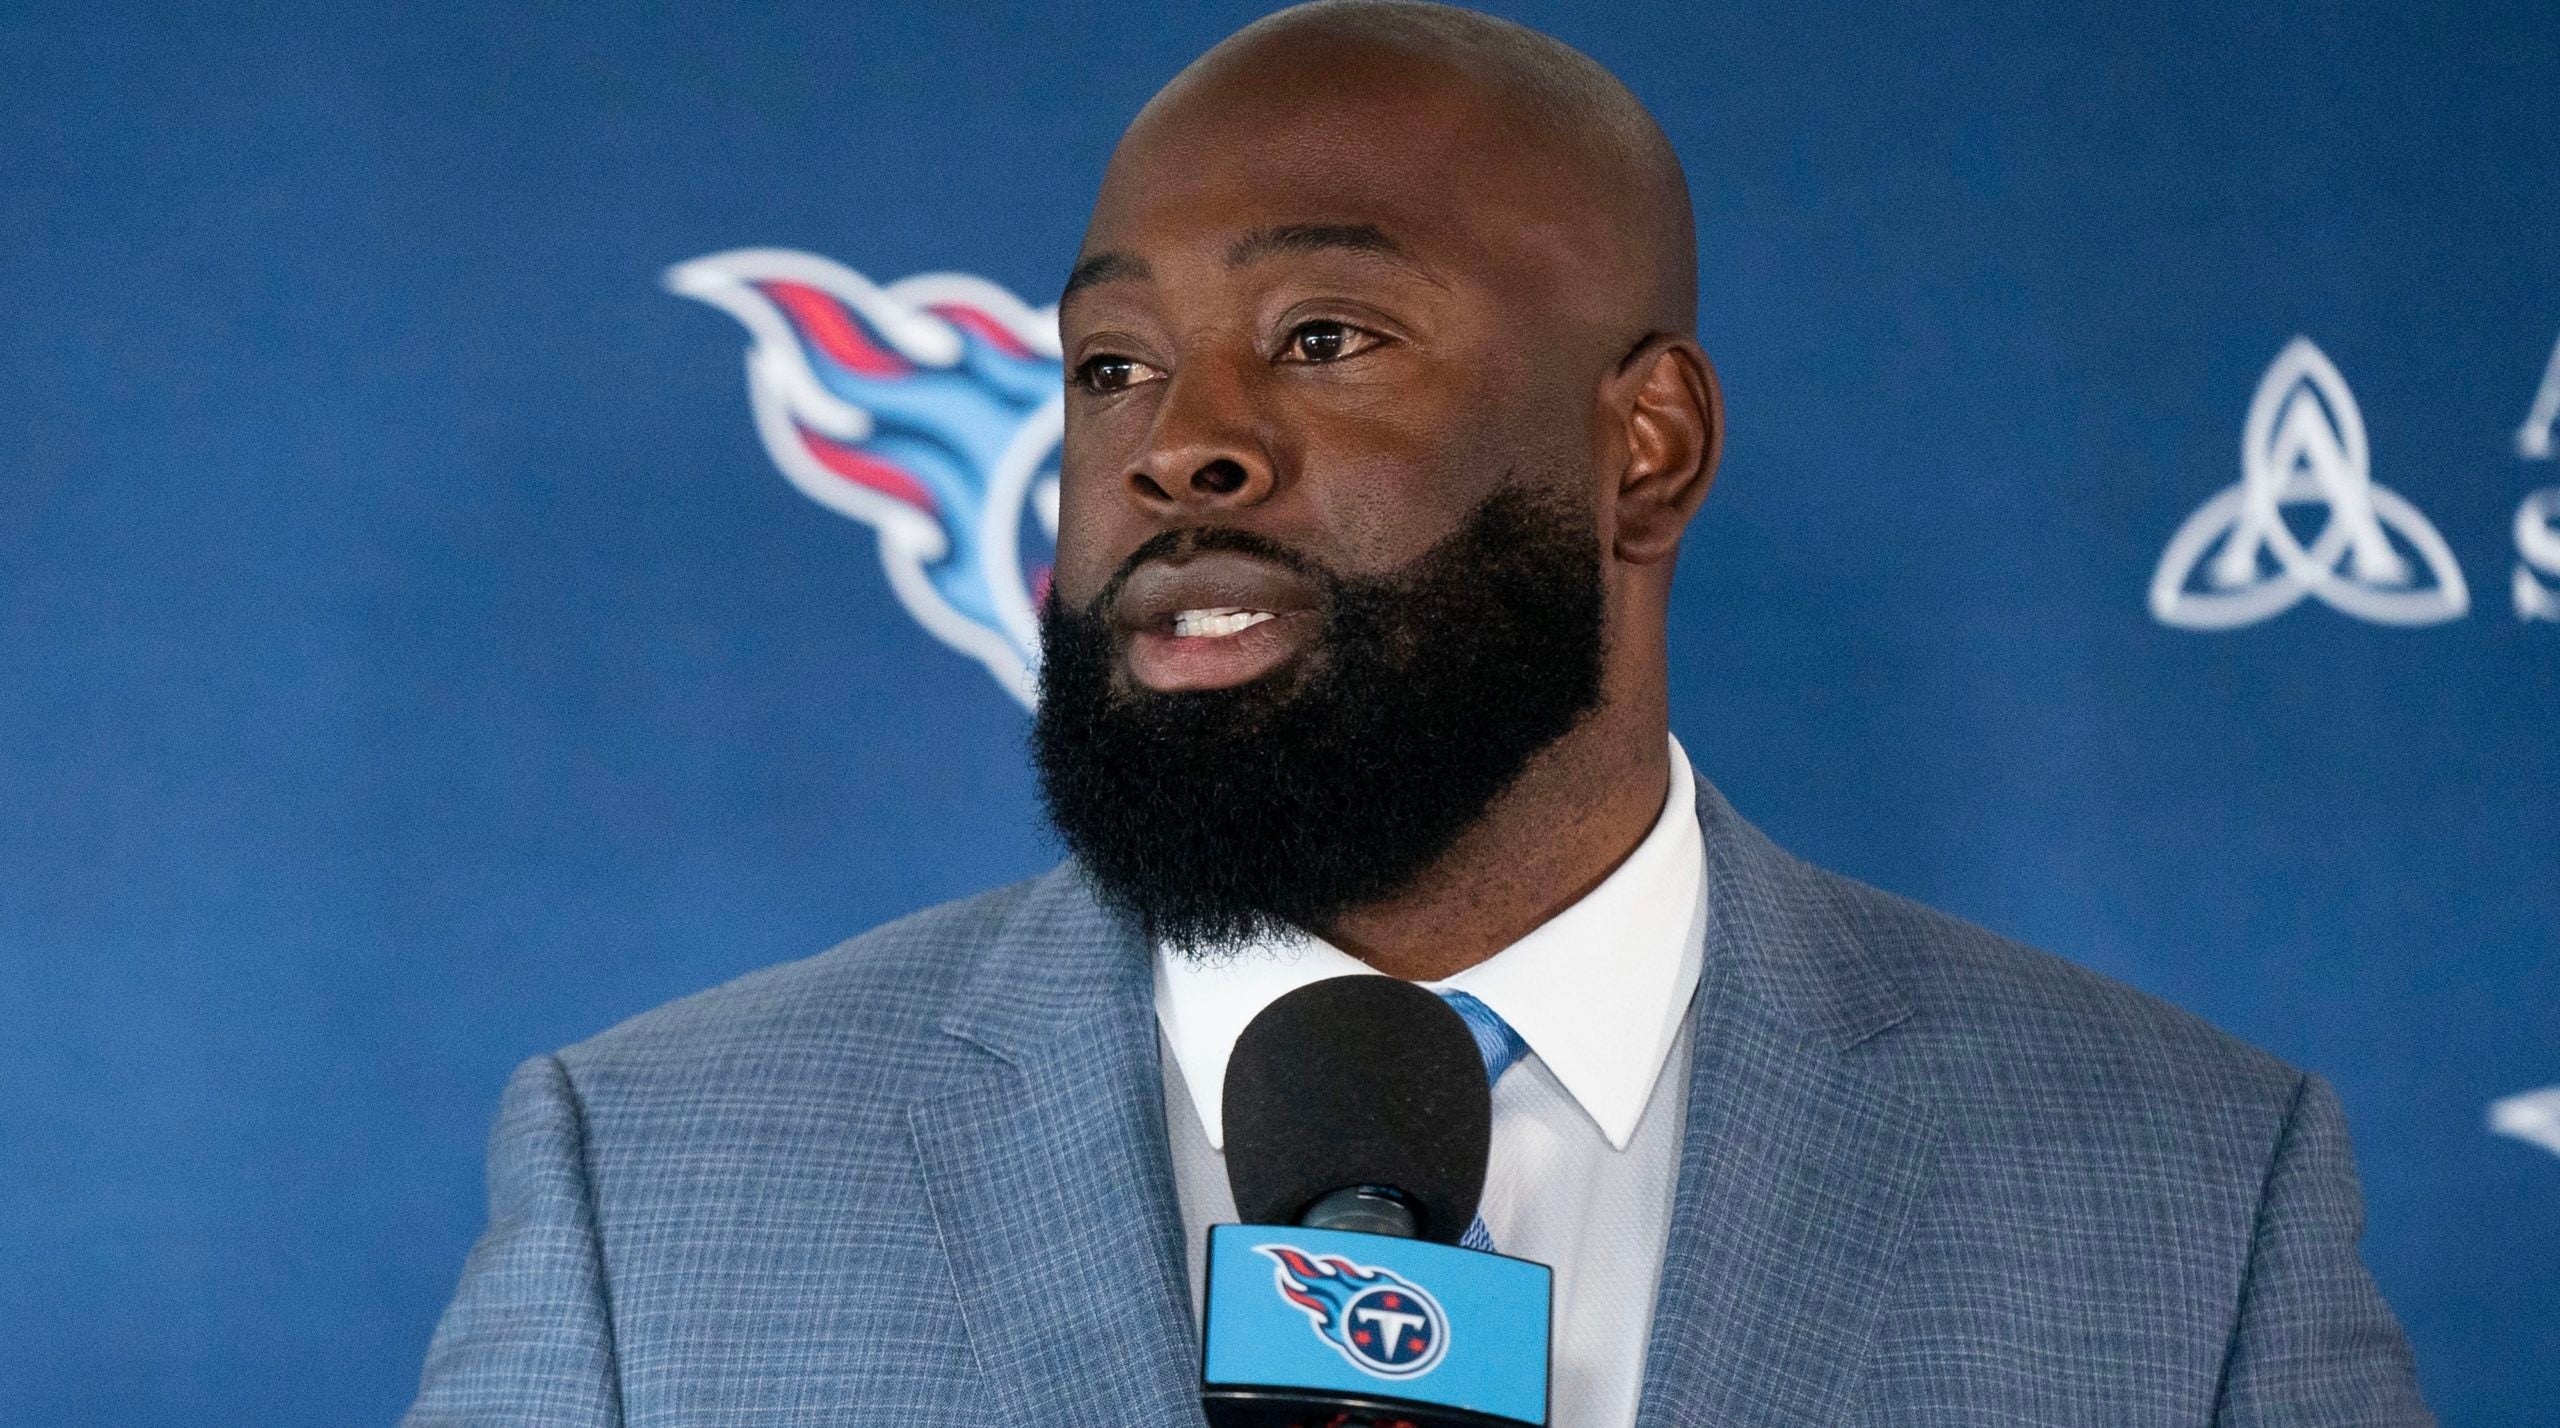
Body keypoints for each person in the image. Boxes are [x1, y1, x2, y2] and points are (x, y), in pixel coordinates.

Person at [405, 4, 2432, 1424]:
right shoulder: (652, 1185)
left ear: (1642, 447)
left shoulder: (2180, 1189)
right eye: (1108, 368)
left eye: (1320, 337)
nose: (1177, 446)